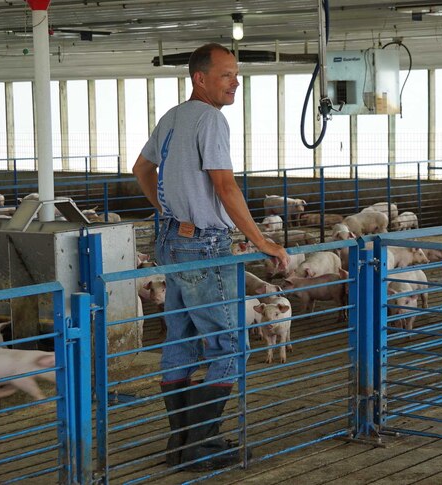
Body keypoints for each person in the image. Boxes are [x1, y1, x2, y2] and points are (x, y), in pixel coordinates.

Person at [132, 42, 288, 472]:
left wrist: (166, 212)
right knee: (229, 345)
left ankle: (180, 443)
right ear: (200, 78)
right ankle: (200, 445)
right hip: (203, 244)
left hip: (170, 241)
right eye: (226, 74)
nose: (235, 82)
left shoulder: (172, 117)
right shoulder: (211, 120)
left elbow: (141, 170)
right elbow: (225, 185)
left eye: (236, 75)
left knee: (179, 340)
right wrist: (263, 241)